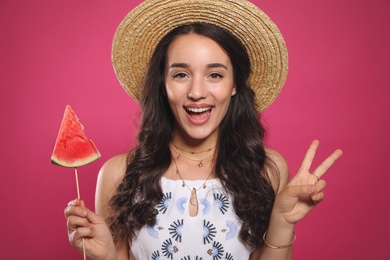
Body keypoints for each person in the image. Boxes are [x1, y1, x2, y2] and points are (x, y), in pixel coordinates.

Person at [65, 0, 343, 259]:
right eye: (181, 74)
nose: (197, 92)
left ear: (235, 85)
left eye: (215, 75)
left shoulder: (267, 169)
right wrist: (105, 256)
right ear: (163, 85)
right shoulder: (118, 174)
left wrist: (282, 221)